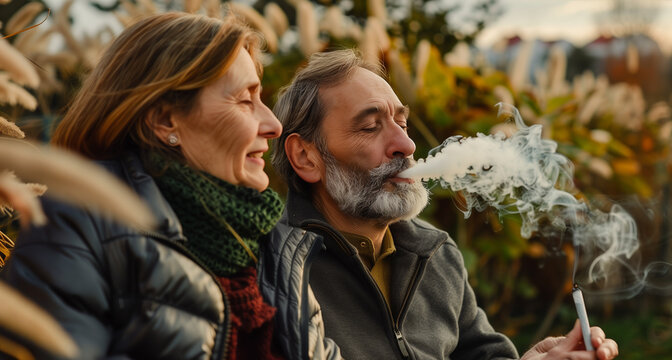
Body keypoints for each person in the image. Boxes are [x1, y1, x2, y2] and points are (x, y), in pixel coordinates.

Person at [1, 12, 340, 360]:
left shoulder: (277, 247)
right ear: (165, 121)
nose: (273, 124)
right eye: (244, 99)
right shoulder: (77, 228)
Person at [270, 49, 620, 360]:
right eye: (370, 127)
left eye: (402, 123)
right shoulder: (277, 275)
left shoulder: (435, 252)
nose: (406, 145)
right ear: (305, 156)